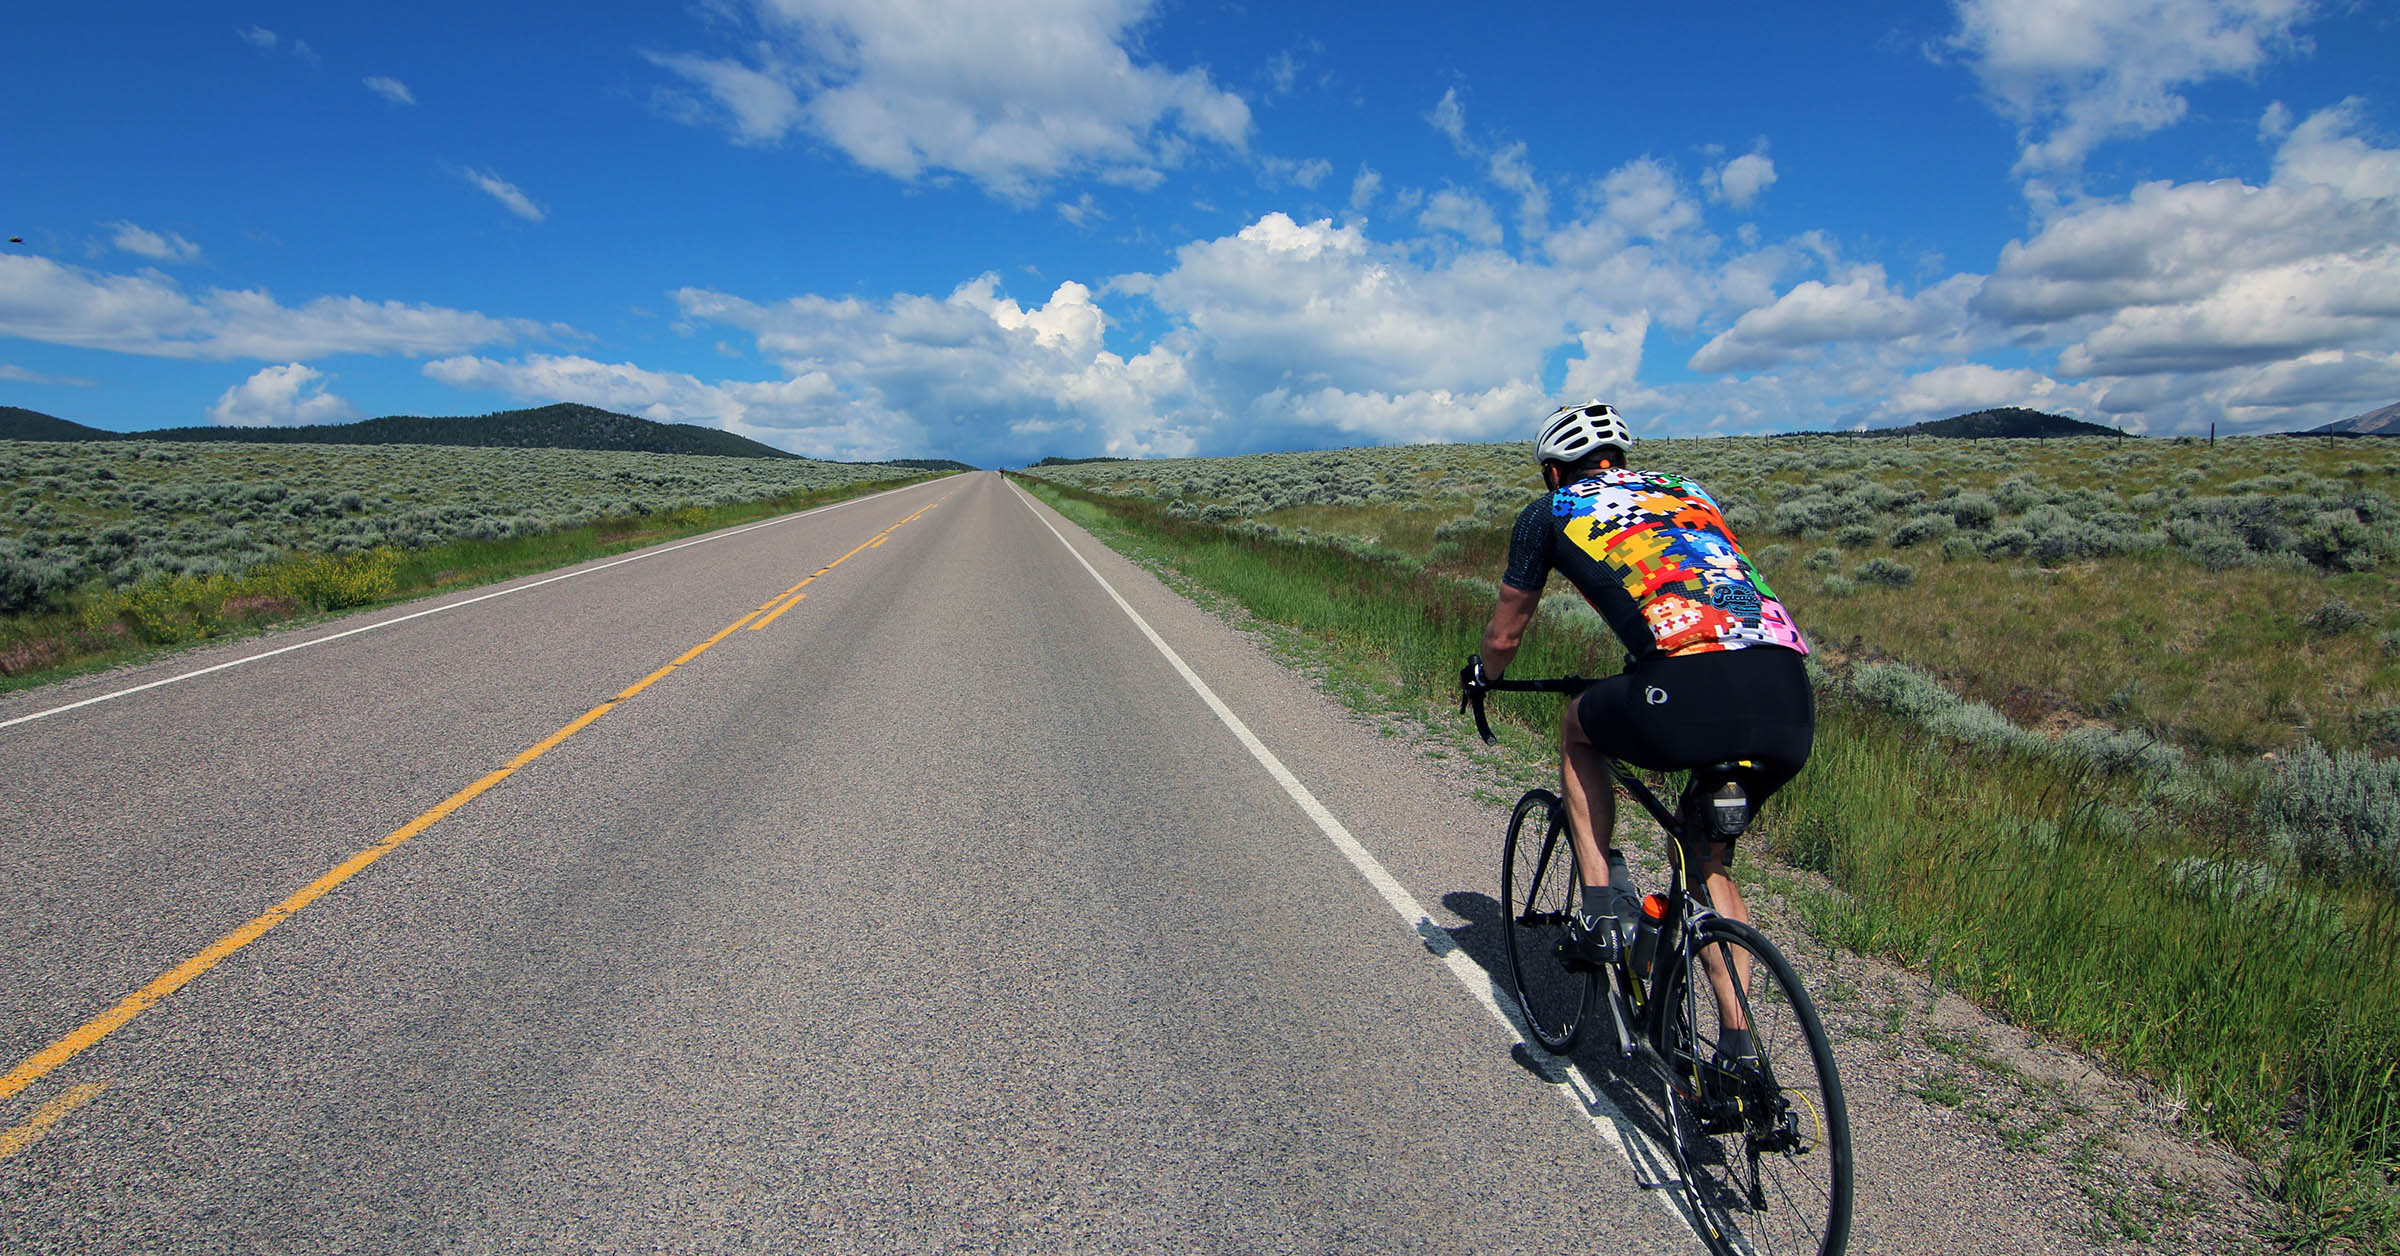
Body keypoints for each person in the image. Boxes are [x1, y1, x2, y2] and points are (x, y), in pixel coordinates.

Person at [1464, 401, 1813, 1067]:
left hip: (1684, 687)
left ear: (1552, 472)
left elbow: (1507, 632)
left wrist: (1482, 675)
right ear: (1622, 457)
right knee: (1706, 855)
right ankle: (1739, 1050)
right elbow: (1711, 588)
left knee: (1578, 728)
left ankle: (1597, 910)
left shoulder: (1552, 511)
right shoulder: (1688, 492)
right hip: (1785, 688)